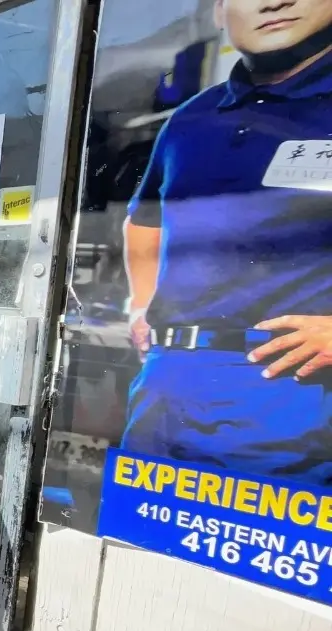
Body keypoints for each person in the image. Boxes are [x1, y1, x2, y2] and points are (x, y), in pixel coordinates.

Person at [123, 0, 332, 482]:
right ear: (219, 12)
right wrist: (141, 305)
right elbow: (145, 218)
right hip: (167, 382)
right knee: (139, 538)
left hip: (287, 385)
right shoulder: (193, 118)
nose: (272, 2)